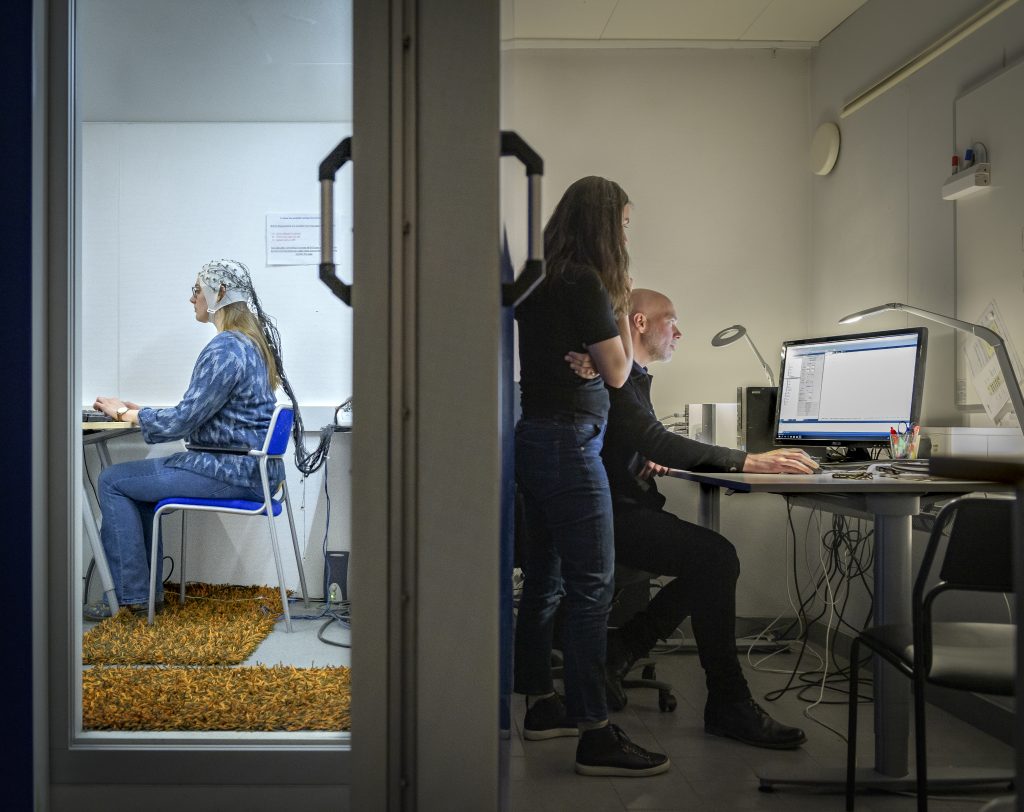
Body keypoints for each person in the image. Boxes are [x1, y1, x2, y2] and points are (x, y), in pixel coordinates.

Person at [566, 288, 816, 749]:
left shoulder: (632, 376)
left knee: (713, 560)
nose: (678, 331)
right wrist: (749, 461)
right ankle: (725, 701)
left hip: (617, 506)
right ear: (639, 323)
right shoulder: (619, 377)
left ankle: (624, 650)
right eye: (670, 320)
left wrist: (638, 455)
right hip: (608, 517)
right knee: (716, 559)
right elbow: (653, 437)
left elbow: (634, 439)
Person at [513, 176, 669, 778]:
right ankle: (595, 732)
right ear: (606, 225)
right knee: (592, 587)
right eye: (624, 222)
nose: (627, 233)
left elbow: (596, 363)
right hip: (569, 445)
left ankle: (542, 705)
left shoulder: (544, 278)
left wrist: (599, 357)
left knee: (548, 582)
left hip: (536, 439)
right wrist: (612, 351)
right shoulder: (587, 281)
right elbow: (616, 372)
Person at [84, 260, 288, 620]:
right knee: (138, 492)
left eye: (196, 290)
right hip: (251, 470)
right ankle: (142, 597)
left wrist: (123, 414)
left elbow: (182, 421)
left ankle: (130, 598)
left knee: (112, 481)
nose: (191, 299)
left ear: (218, 293)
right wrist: (142, 412)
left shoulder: (225, 348)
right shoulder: (252, 345)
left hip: (226, 469)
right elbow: (203, 411)